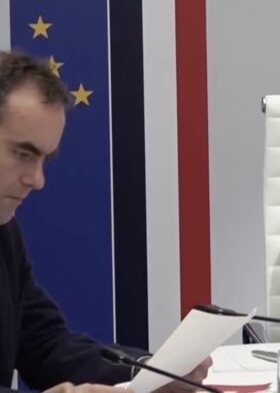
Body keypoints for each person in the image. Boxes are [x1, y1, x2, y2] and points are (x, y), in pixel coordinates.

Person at [0, 51, 210, 393]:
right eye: (23, 154)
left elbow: (46, 344)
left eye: (44, 159)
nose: (37, 180)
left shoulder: (5, 232)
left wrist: (147, 372)